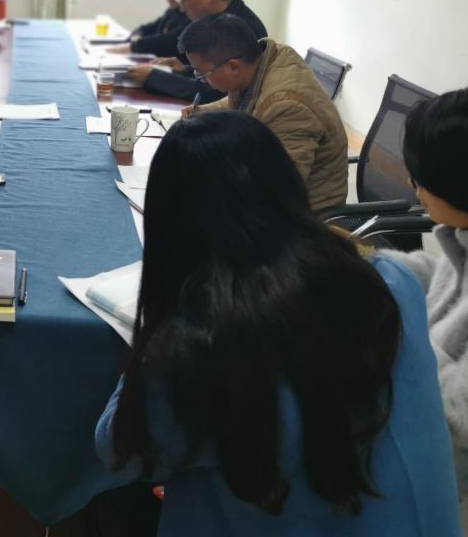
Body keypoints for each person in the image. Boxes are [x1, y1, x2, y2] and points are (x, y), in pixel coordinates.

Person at [95, 111, 461, 536]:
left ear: (170, 226)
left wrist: (153, 332)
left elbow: (119, 451)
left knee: (122, 503)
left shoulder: (198, 345)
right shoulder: (391, 283)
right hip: (415, 523)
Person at [380, 88, 468, 517]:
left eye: (419, 177)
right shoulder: (463, 232)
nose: (412, 186)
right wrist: (370, 265)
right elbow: (446, 283)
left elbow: (456, 417)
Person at [179, 13, 348, 211]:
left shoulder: (288, 108)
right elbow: (247, 100)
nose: (202, 80)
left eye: (202, 73)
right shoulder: (265, 60)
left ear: (233, 67)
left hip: (302, 217)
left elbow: (276, 191)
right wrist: (203, 112)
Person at [124, 0, 267, 102]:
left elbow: (217, 93)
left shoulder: (242, 28)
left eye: (184, 0)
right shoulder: (219, 19)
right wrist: (183, 69)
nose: (181, 8)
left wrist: (154, 77)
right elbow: (215, 73)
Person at [105, 0, 189, 57]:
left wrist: (133, 46)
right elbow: (148, 28)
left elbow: (169, 39)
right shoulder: (172, 11)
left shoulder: (191, 17)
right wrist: (136, 36)